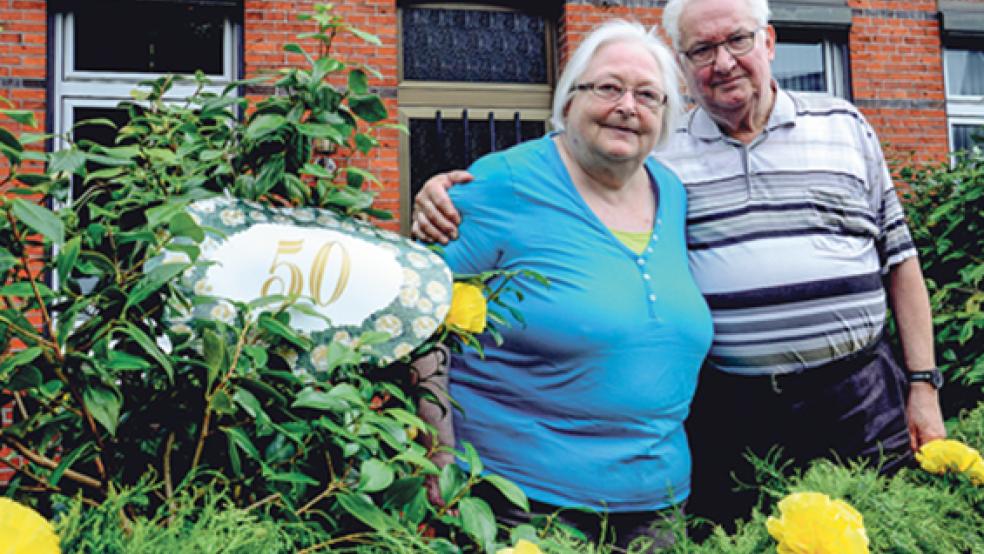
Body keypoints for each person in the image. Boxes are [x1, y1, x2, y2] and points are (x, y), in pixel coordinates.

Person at [411, 0, 947, 529]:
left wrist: (923, 384)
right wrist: (437, 196)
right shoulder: (656, 157)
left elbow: (901, 259)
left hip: (855, 396)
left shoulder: (839, 128)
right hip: (730, 416)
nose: (723, 61)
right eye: (701, 49)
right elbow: (424, 298)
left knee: (886, 531)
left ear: (769, 41)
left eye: (737, 39)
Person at [415, 20, 713, 550]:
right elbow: (419, 311)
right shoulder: (502, 184)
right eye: (607, 87)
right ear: (569, 99)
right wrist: (436, 449)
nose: (628, 105)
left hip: (658, 500)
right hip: (525, 501)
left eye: (648, 95)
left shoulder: (672, 191)